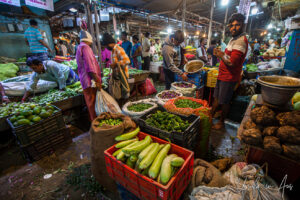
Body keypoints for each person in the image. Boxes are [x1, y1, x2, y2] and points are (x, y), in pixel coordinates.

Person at [212, 13, 249, 130]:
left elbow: (232, 62)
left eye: (237, 25)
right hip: (222, 75)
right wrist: (220, 55)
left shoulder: (240, 41)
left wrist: (221, 55)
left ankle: (221, 122)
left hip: (229, 77)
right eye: (232, 25)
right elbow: (227, 57)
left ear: (243, 25)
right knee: (217, 98)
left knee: (225, 101)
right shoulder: (233, 39)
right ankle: (210, 116)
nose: (234, 28)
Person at [76, 30, 102, 121]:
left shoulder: (79, 47)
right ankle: (96, 122)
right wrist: (97, 80)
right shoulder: (86, 47)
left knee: (90, 103)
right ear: (89, 39)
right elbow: (90, 67)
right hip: (90, 81)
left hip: (85, 81)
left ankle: (94, 121)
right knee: (93, 103)